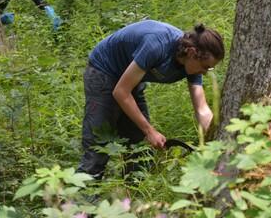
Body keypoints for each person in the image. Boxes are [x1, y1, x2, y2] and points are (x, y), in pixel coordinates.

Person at [78, 20, 225, 179]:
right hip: (104, 71)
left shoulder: (193, 63)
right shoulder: (157, 46)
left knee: (139, 144)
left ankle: (132, 194)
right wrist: (150, 130)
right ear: (191, 52)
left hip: (132, 78)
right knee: (99, 140)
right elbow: (121, 92)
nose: (205, 72)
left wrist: (215, 141)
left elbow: (202, 110)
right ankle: (82, 197)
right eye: (205, 66)